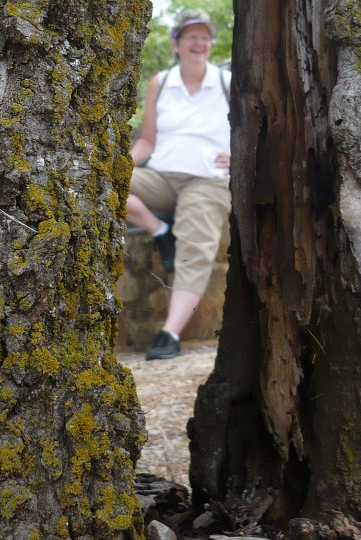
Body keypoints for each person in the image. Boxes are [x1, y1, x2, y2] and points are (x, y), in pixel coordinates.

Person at [127, 9, 231, 361]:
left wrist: (241, 156)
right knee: (104, 186)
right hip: (162, 176)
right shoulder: (161, 82)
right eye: (191, 36)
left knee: (194, 247)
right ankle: (158, 229)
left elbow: (251, 130)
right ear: (176, 44)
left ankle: (169, 333)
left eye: (204, 37)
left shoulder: (225, 82)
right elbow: (147, 142)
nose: (199, 43)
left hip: (207, 180)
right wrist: (115, 167)